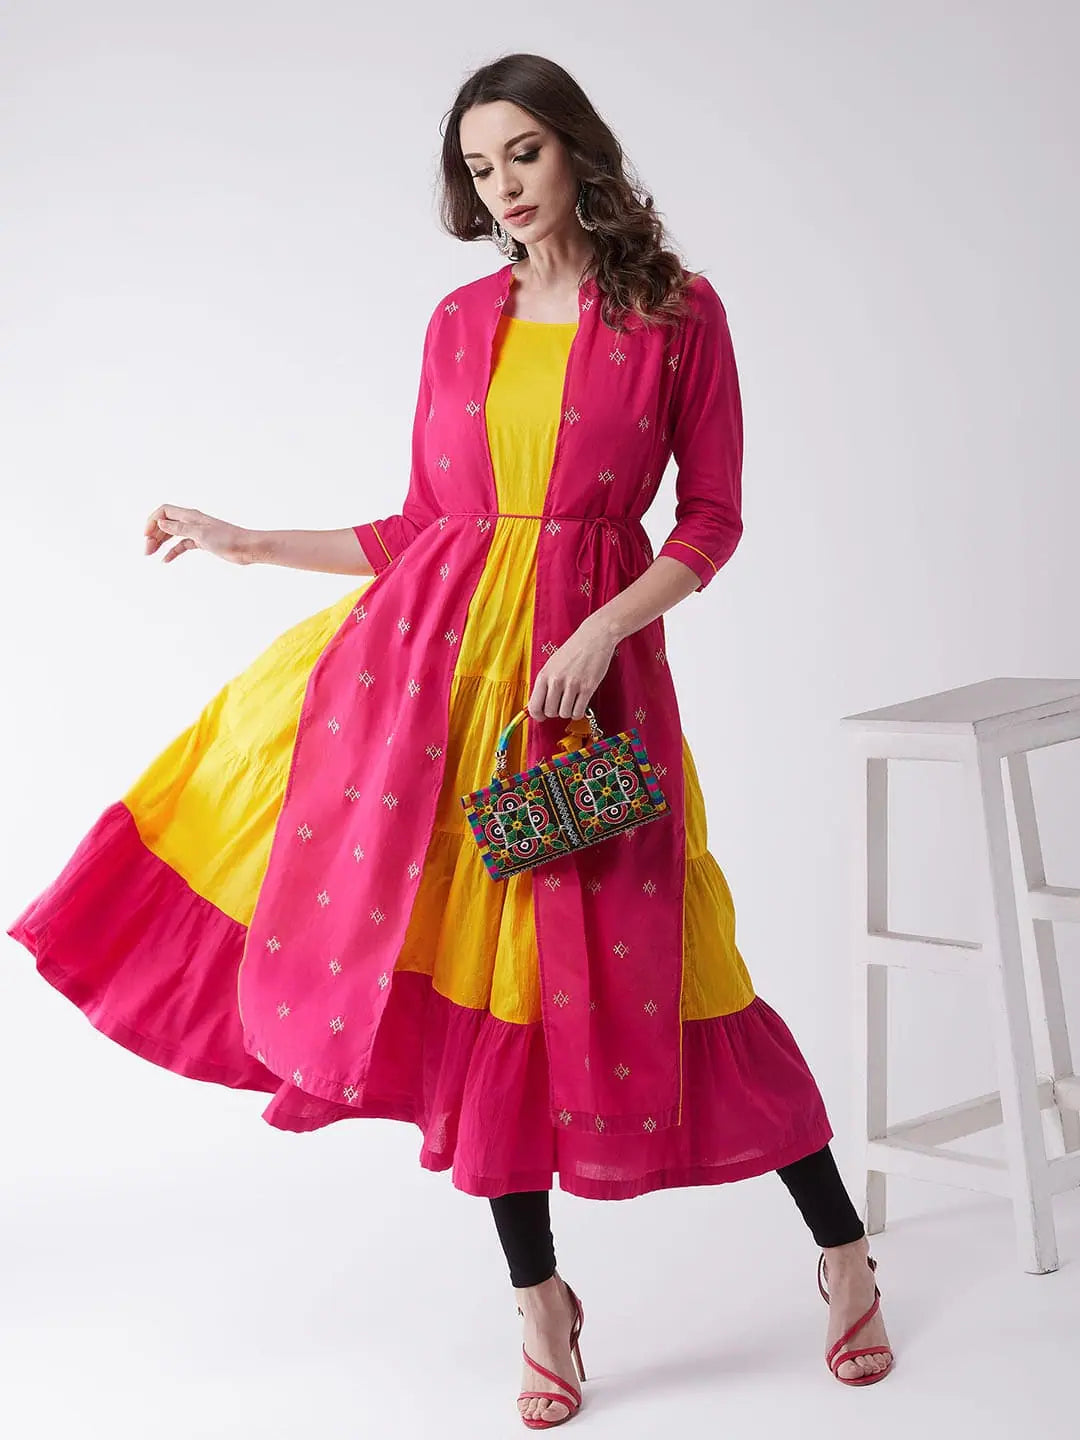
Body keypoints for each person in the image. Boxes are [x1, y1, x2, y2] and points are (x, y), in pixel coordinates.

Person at [8, 52, 893, 1429]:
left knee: (679, 959)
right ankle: (539, 1300)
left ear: (579, 150)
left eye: (523, 154)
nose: (504, 188)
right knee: (486, 977)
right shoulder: (459, 321)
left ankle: (843, 1255)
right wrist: (248, 541)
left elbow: (712, 522)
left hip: (586, 700)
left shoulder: (675, 311)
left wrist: (602, 630)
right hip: (433, 693)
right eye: (480, 169)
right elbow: (427, 526)